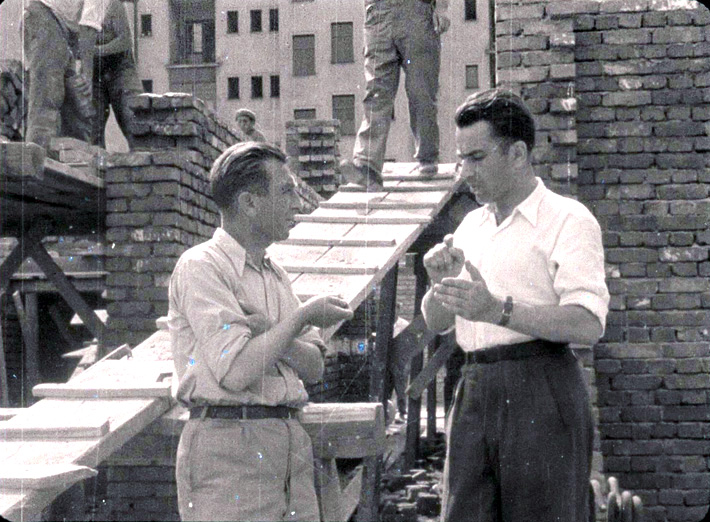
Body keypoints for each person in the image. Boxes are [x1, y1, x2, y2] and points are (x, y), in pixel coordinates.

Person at [421, 89, 610, 521]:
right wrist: (438, 284)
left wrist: (497, 311)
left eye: (477, 158)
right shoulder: (470, 226)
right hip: (474, 387)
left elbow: (587, 324)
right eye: (461, 159)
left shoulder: (568, 219)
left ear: (518, 154)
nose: (464, 172)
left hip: (541, 387)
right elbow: (435, 320)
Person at [168, 141, 354, 521]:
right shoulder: (202, 267)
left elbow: (314, 366)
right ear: (249, 203)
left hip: (288, 443)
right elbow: (237, 372)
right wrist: (300, 319)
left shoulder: (275, 274)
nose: (296, 204)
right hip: (230, 446)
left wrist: (271, 330)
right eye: (285, 191)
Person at [339, 0, 450, 190]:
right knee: (376, 93)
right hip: (378, 14)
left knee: (421, 90)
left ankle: (427, 157)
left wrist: (442, 7)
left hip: (416, 12)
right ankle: (367, 165)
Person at [23, 0, 106, 149]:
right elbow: (88, 28)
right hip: (46, 17)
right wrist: (87, 74)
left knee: (72, 100)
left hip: (56, 26)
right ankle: (36, 155)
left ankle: (73, 156)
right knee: (48, 96)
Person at [92, 0, 142, 148]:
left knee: (134, 120)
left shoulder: (112, 4)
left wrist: (95, 50)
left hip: (121, 68)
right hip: (95, 73)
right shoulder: (77, 9)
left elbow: (124, 40)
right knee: (91, 129)